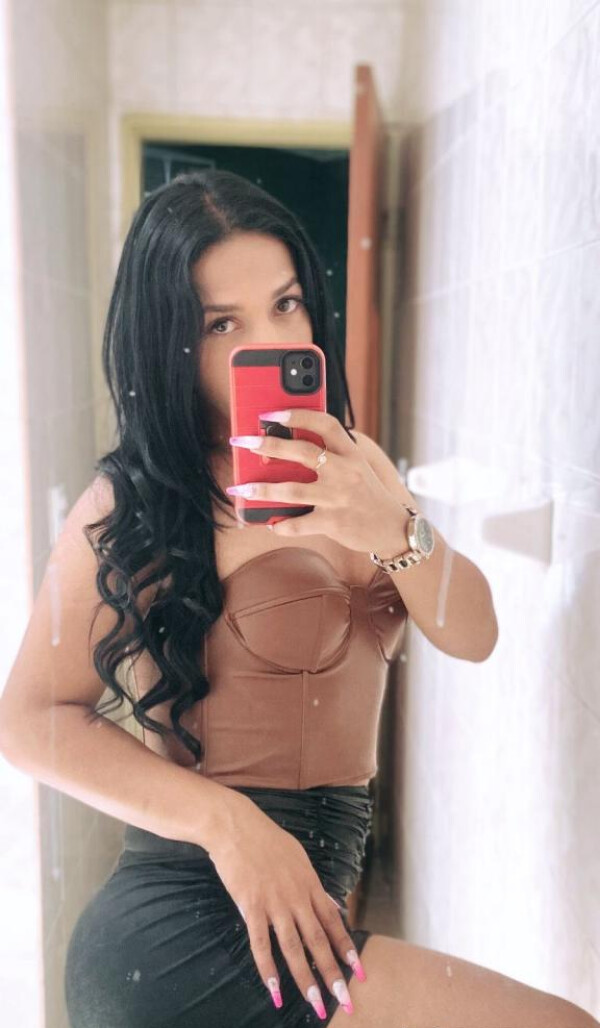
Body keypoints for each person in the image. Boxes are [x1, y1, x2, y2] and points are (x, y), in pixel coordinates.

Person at [0, 169, 596, 1028]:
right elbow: (29, 720)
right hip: (185, 929)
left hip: (300, 915)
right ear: (169, 342)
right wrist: (229, 825)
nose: (268, 340)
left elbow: (474, 633)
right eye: (222, 324)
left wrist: (391, 527)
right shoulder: (137, 500)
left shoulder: (358, 462)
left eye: (285, 305)